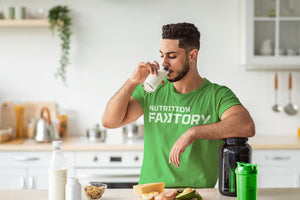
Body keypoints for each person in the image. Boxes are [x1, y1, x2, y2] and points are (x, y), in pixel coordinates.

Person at [102, 22, 255, 188]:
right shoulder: (152, 89)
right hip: (151, 193)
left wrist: (194, 132)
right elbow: (109, 121)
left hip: (197, 195)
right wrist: (131, 82)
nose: (164, 63)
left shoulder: (217, 94)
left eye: (172, 56)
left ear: (192, 55)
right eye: (162, 56)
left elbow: (246, 126)